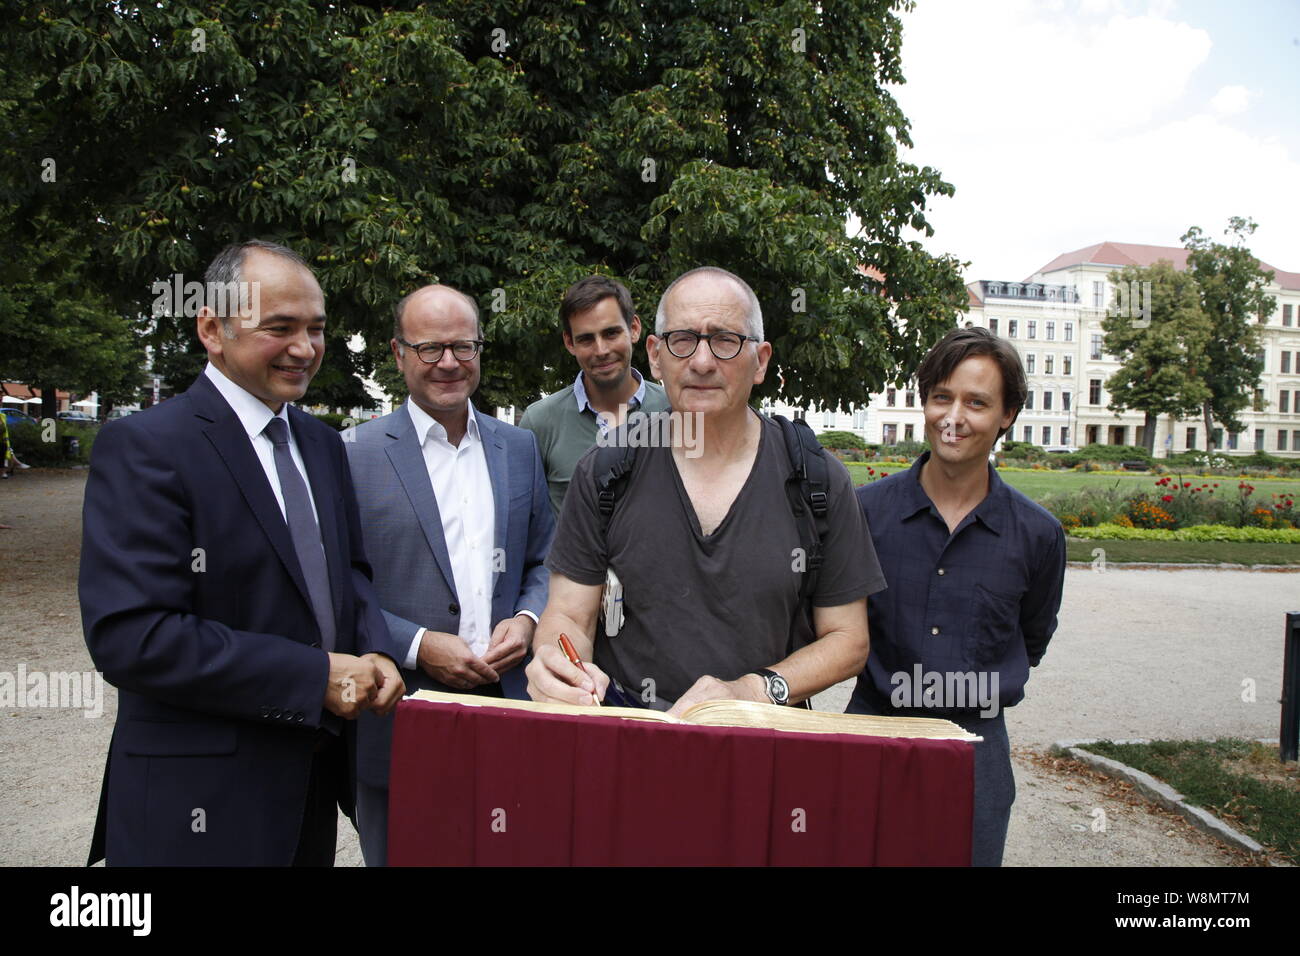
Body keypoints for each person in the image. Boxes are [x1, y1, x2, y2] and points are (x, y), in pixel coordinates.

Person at [79, 240, 404, 866]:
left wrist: (376, 649)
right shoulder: (145, 446)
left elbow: (350, 576)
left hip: (309, 791)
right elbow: (133, 637)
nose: (304, 349)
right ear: (212, 328)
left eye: (316, 329)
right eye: (279, 328)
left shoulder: (322, 444)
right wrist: (315, 679)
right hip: (196, 802)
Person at [526, 266, 883, 715]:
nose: (701, 361)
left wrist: (754, 690)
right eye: (683, 339)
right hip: (633, 745)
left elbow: (847, 639)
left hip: (766, 748)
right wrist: (557, 663)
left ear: (761, 360)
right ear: (655, 355)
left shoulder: (815, 478)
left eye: (725, 340)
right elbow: (568, 617)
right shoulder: (606, 470)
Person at [344, 284, 554, 866]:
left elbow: (544, 556)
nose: (448, 363)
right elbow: (338, 584)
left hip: (510, 706)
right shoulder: (352, 453)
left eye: (463, 346)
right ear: (397, 353)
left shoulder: (518, 447)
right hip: (402, 710)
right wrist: (413, 644)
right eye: (430, 347)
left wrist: (528, 616)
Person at [849, 326, 1065, 867]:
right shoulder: (864, 514)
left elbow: (1032, 636)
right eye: (942, 396)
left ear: (1007, 414)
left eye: (976, 402)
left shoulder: (1037, 535)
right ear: (924, 402)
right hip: (872, 733)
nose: (954, 416)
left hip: (976, 749)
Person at [519, 275, 670, 515]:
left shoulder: (674, 410)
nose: (601, 350)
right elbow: (528, 520)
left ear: (634, 329)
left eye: (611, 334)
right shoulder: (540, 421)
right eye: (586, 339)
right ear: (569, 343)